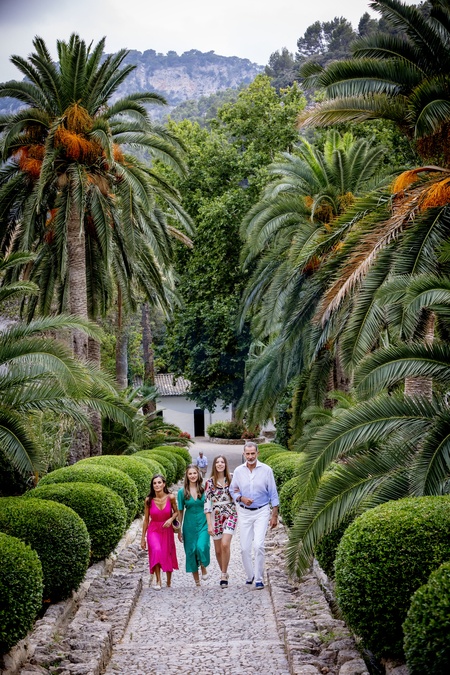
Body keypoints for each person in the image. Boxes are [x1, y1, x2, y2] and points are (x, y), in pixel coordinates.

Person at [229, 442, 279, 590]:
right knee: (244, 548)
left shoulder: (266, 470)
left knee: (258, 545)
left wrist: (274, 515)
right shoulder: (238, 471)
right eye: (248, 454)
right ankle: (250, 575)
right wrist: (241, 498)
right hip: (244, 512)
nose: (250, 456)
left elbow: (273, 493)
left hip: (262, 511)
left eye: (253, 453)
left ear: (257, 453)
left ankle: (259, 578)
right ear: (244, 454)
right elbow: (233, 490)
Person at [140, 474, 179, 590]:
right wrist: (143, 538)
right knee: (156, 550)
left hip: (167, 529)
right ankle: (158, 580)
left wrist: (170, 519)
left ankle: (168, 580)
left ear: (164, 484)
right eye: (154, 483)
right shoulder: (148, 500)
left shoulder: (171, 497)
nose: (157, 485)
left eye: (159, 482)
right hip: (153, 529)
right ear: (152, 486)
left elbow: (176, 512)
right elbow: (146, 520)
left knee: (167, 553)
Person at [204, 455, 237, 588]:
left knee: (225, 544)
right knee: (218, 550)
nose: (220, 464)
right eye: (217, 462)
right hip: (215, 516)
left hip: (230, 514)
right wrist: (209, 524)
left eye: (222, 462)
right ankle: (224, 571)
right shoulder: (209, 482)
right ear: (214, 465)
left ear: (225, 464)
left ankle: (223, 575)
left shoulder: (232, 478)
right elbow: (207, 504)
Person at [177, 465, 210, 587]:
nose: (192, 476)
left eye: (194, 473)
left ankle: (203, 565)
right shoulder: (181, 492)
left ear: (198, 474)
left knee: (201, 546)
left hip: (203, 522)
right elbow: (180, 511)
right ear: (187, 475)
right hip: (189, 525)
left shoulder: (204, 489)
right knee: (191, 551)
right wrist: (179, 530)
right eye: (190, 474)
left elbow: (210, 507)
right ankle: (197, 582)